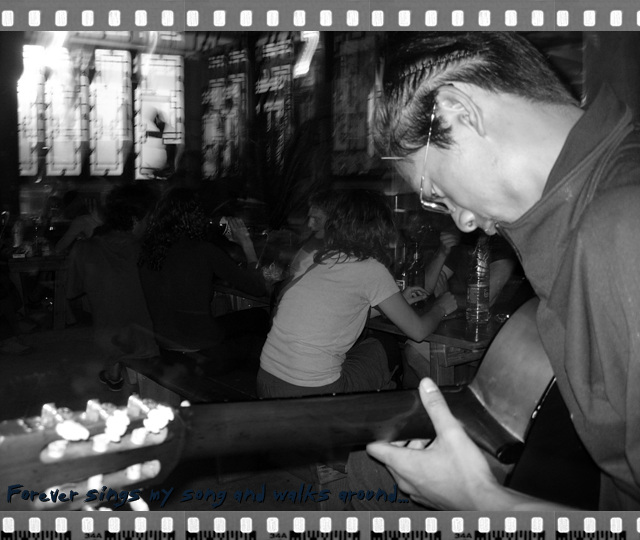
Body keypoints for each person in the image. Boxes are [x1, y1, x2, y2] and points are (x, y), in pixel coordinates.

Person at [356, 32, 640, 510]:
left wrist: (479, 500)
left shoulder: (621, 226)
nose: (463, 221)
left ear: (458, 111)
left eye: (437, 193)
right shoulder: (596, 204)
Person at [257, 189, 457, 398]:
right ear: (381, 229)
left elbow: (335, 313)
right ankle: (386, 412)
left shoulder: (322, 259)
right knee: (386, 348)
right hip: (312, 391)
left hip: (267, 381)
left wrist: (400, 302)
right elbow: (418, 332)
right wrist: (441, 307)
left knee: (367, 350)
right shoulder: (371, 269)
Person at [138, 188, 269, 377]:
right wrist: (247, 245)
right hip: (201, 349)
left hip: (165, 344)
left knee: (240, 320)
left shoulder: (148, 251)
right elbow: (257, 288)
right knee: (259, 317)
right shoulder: (204, 251)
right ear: (197, 218)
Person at [66, 183, 159, 389]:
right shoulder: (148, 251)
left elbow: (72, 291)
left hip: (108, 338)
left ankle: (114, 367)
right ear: (135, 220)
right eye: (148, 219)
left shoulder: (83, 248)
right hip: (149, 342)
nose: (150, 224)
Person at [287, 189, 340, 278]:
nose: (310, 224)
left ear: (333, 219)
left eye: (317, 219)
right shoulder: (316, 236)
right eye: (310, 217)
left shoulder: (333, 248)